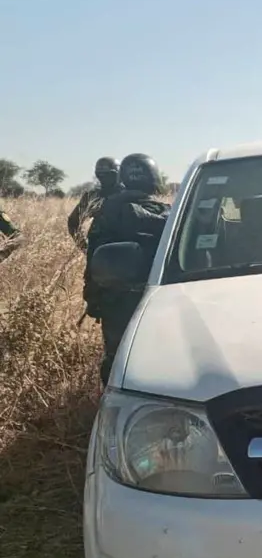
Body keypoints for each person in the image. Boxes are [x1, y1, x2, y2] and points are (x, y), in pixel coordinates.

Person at [84, 153, 171, 386]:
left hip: (116, 302)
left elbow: (94, 259)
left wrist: (92, 298)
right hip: (163, 301)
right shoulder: (168, 214)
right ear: (154, 179)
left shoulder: (107, 214)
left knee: (118, 361)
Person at [67, 157, 123, 251]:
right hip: (108, 249)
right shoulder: (92, 196)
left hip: (102, 249)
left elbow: (73, 222)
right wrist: (84, 247)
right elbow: (73, 222)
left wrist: (85, 248)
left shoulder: (93, 196)